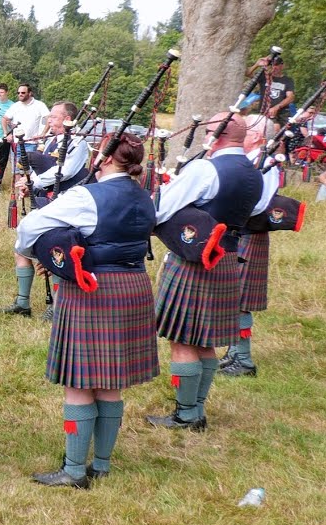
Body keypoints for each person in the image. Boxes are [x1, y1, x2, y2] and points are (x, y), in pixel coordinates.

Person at [15, 134, 158, 488]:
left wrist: (45, 255)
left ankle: (75, 470)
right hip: (135, 286)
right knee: (110, 382)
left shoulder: (86, 196)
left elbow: (29, 226)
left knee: (79, 381)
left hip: (92, 289)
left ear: (106, 159)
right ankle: (103, 464)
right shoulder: (146, 196)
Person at [147, 113, 261, 431]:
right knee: (205, 341)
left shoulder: (205, 169)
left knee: (183, 339)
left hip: (193, 260)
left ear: (216, 134)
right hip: (227, 257)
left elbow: (162, 207)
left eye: (208, 132)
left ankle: (186, 414)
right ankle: (196, 409)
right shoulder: (254, 173)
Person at [0, 102, 89, 316]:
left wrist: (33, 183)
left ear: (68, 119)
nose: (49, 121)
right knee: (22, 246)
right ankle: (22, 302)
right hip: (43, 201)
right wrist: (27, 186)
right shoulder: (50, 141)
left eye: (54, 117)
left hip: (64, 205)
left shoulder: (78, 143)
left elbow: (64, 172)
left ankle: (56, 307)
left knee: (56, 251)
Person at [219, 118, 279, 378]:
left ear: (257, 136)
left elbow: (259, 204)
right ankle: (234, 352)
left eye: (248, 130)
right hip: (238, 231)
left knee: (241, 299)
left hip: (248, 232)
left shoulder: (266, 164)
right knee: (233, 297)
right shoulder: (247, 162)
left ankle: (243, 360)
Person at [246, 55, 295, 128]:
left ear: (282, 65)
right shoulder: (264, 76)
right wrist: (257, 64)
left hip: (281, 112)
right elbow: (248, 73)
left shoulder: (287, 80)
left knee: (282, 131)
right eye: (272, 65)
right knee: (273, 127)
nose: (274, 67)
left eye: (276, 65)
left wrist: (276, 107)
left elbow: (290, 97)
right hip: (265, 111)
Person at [3, 84, 49, 152]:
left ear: (30, 93)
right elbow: (4, 118)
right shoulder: (15, 106)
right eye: (18, 93)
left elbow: (49, 119)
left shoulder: (39, 105)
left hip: (32, 143)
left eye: (23, 93)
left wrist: (43, 134)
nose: (20, 94)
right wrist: (6, 133)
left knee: (30, 162)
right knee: (17, 163)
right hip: (17, 143)